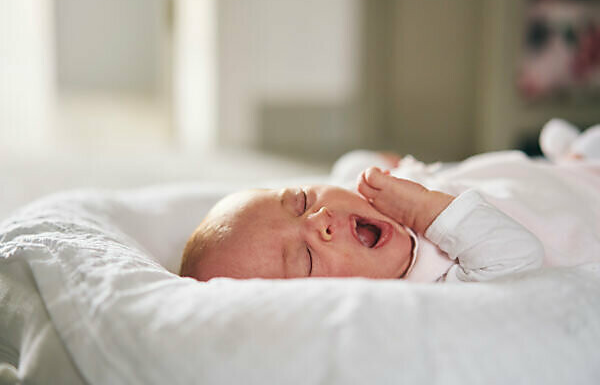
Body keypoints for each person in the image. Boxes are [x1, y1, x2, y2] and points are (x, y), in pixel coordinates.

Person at [179, 118, 600, 282]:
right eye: (305, 259)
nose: (319, 218)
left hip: (544, 175)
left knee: (560, 159)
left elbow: (349, 167)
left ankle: (572, 156)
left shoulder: (366, 197)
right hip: (586, 206)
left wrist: (371, 165)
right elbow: (518, 256)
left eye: (302, 199)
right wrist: (421, 209)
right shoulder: (435, 284)